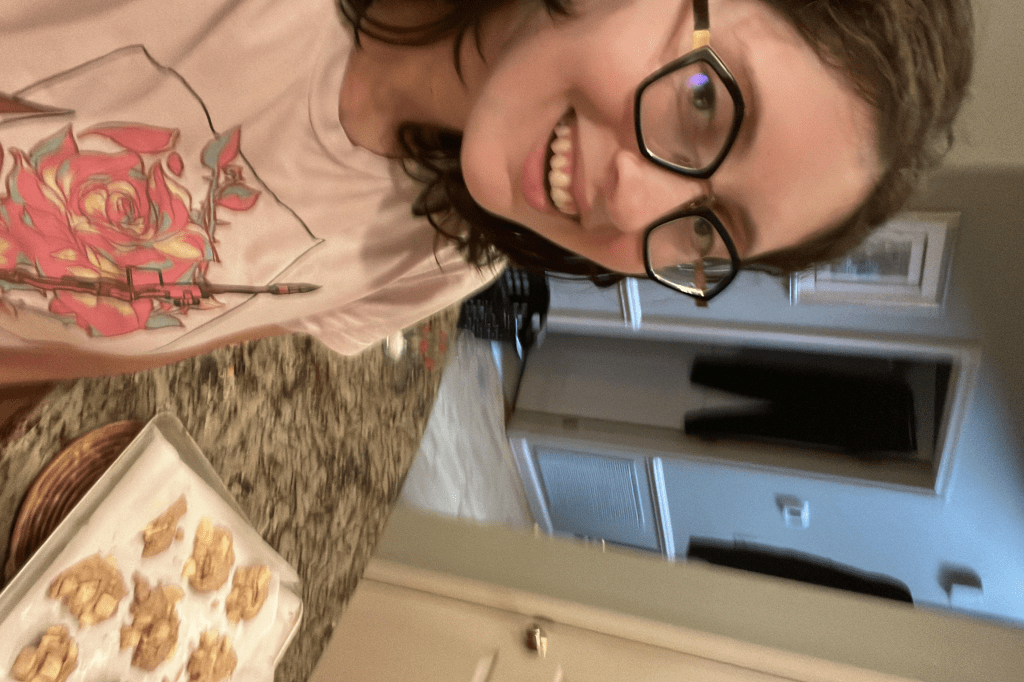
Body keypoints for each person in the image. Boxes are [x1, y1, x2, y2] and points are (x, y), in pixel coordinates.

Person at [0, 0, 973, 385]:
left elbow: (147, 325)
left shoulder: (442, 262)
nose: (634, 208)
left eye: (708, 229)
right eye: (702, 103)